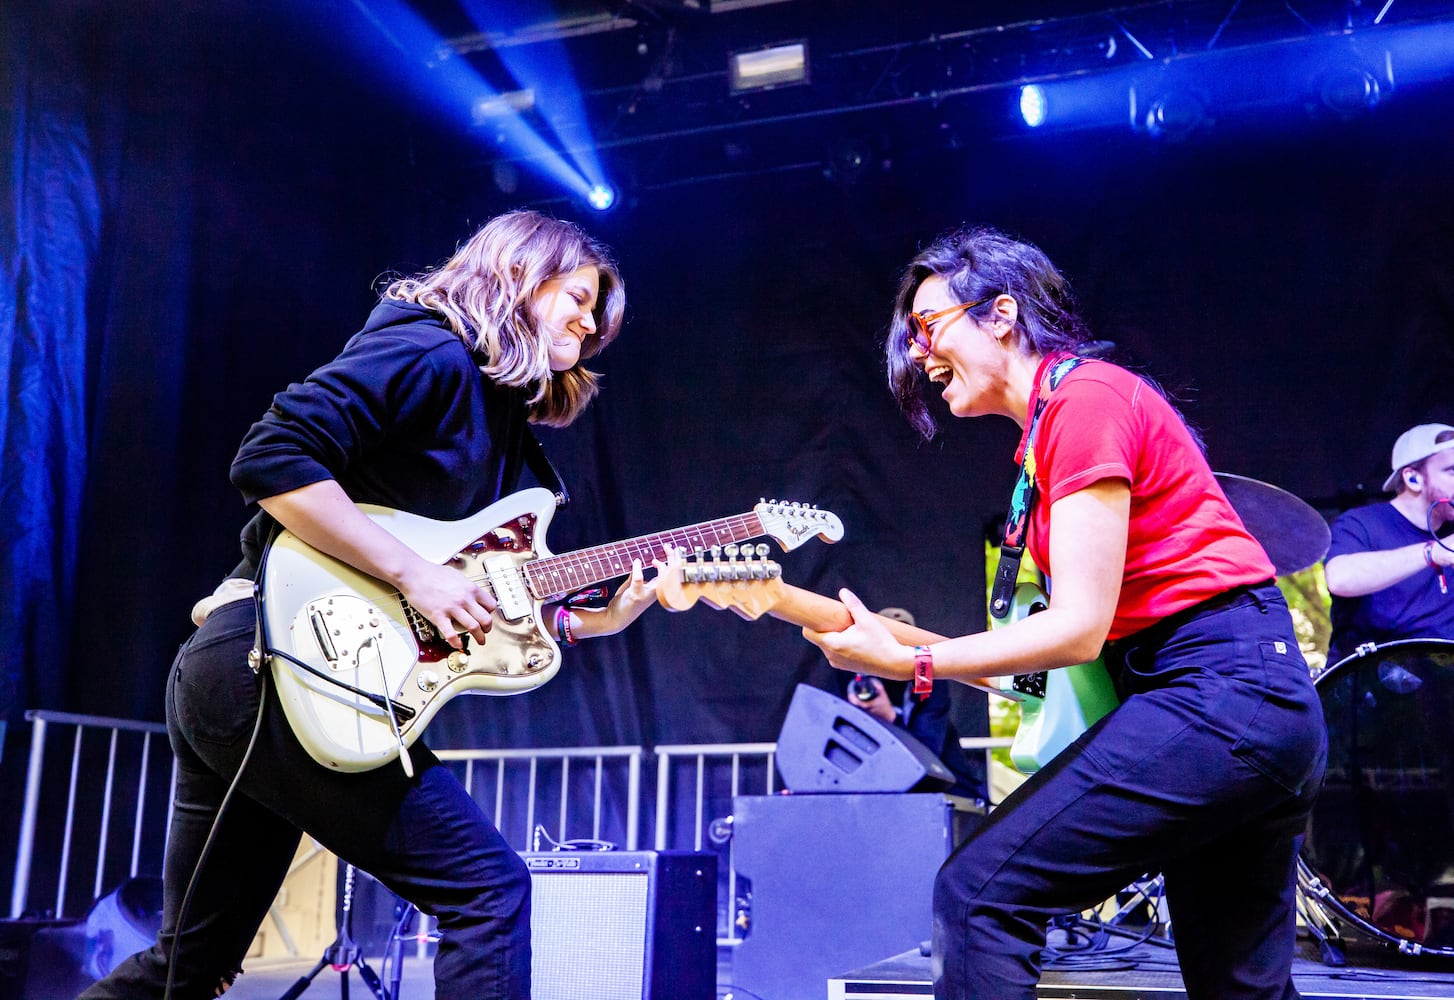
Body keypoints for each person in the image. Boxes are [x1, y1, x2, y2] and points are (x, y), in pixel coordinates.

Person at [80, 210, 660, 999]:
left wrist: (590, 619)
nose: (592, 327)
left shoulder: (502, 427)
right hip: (273, 669)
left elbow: (484, 597)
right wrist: (415, 576)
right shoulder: (431, 348)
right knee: (489, 892)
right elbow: (271, 455)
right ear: (524, 277)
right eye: (581, 299)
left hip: (251, 681)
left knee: (187, 970)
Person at [802, 226, 1327, 1000]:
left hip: (1220, 695)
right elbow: (1058, 659)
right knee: (1237, 990)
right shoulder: (1057, 426)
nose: (918, 353)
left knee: (979, 896)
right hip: (1251, 703)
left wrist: (910, 662)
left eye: (927, 325)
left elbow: (1076, 630)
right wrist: (890, 643)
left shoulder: (1084, 401)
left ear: (1002, 314)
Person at [1323, 423, 1454, 664]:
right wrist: (1433, 552)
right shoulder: (1361, 523)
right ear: (1413, 478)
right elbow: (1340, 578)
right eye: (1452, 471)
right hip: (1373, 685)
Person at [844, 607, 988, 805]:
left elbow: (926, 754)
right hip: (887, 793)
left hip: (947, 794)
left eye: (902, 640)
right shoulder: (864, 681)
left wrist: (889, 717)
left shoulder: (929, 681)